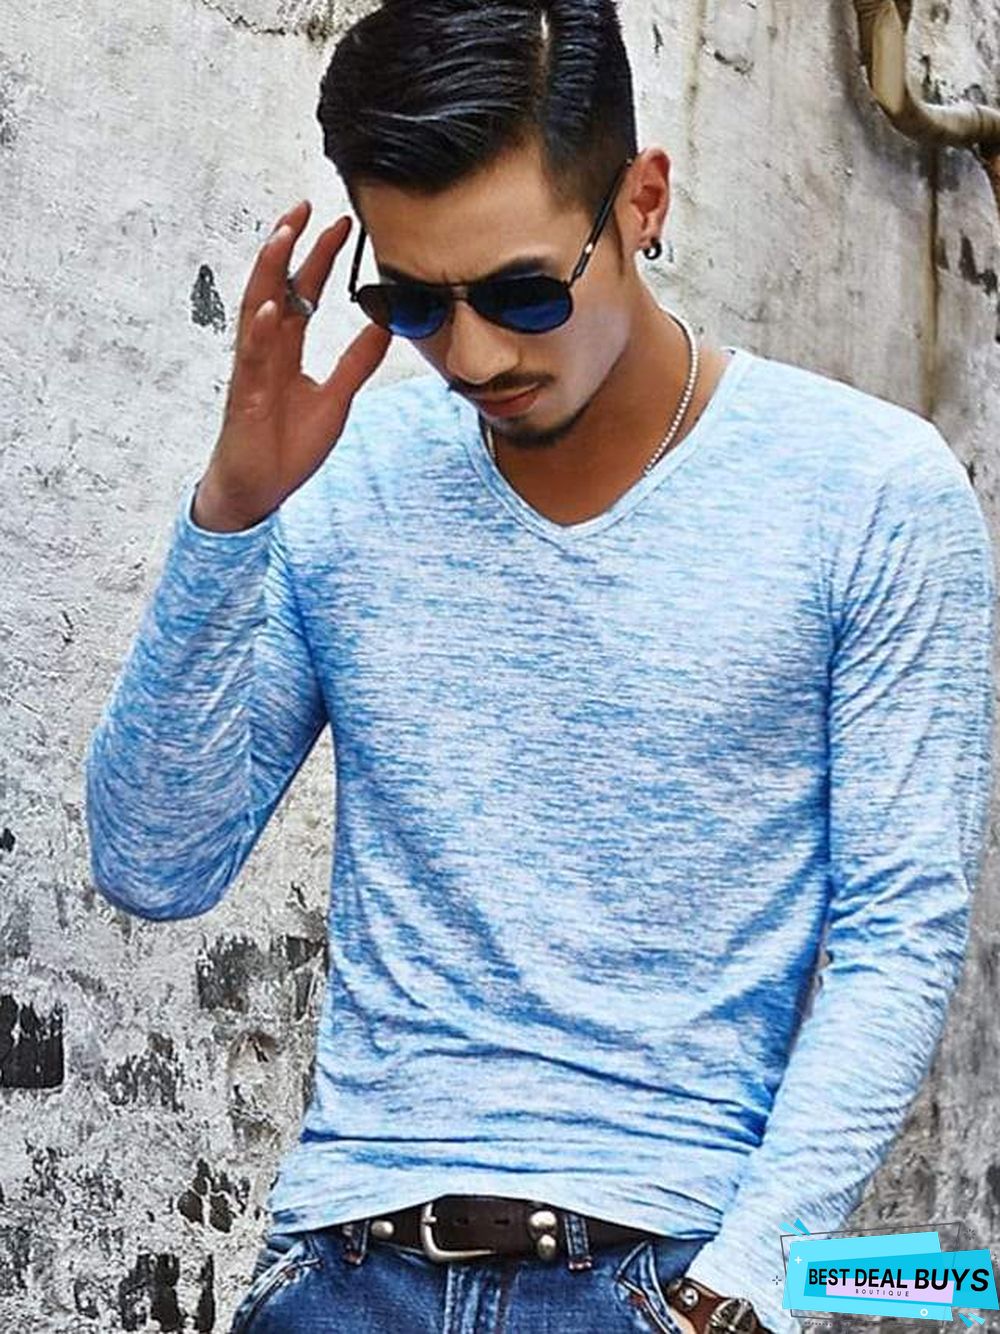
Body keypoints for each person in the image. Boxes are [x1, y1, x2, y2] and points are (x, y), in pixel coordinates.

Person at [83, 2, 996, 1331]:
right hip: (343, 1270)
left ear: (642, 204)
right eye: (413, 303)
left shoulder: (868, 492)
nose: (475, 355)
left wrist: (745, 1283)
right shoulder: (347, 484)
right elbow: (154, 863)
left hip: (658, 1267)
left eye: (523, 292)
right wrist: (233, 511)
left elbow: (898, 930)